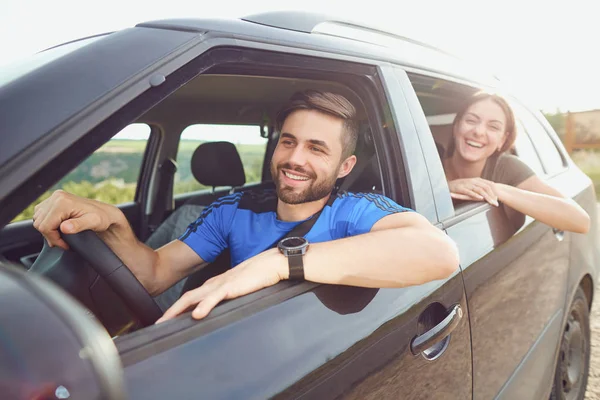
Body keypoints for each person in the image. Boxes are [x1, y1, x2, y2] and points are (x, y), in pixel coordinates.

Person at [32, 90, 459, 323]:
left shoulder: (354, 211)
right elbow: (155, 275)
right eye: (288, 142)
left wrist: (276, 263)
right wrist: (115, 227)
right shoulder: (233, 208)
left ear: (345, 166)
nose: (295, 159)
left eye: (316, 148)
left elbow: (439, 252)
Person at [443, 91, 590, 234]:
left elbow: (581, 221)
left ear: (503, 140)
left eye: (493, 127)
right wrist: (445, 188)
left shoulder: (507, 168)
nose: (479, 131)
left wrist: (495, 189)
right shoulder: (428, 168)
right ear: (456, 126)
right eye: (471, 120)